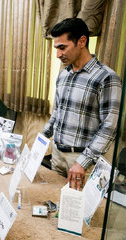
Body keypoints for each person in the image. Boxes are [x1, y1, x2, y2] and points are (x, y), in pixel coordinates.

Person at [42, 18, 122, 191]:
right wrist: (41, 139)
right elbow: (58, 112)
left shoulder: (106, 78)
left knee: (81, 214)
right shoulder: (63, 75)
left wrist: (82, 162)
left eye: (62, 47)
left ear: (82, 41)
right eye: (56, 48)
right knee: (55, 205)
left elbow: (109, 126)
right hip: (57, 154)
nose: (58, 54)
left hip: (82, 161)